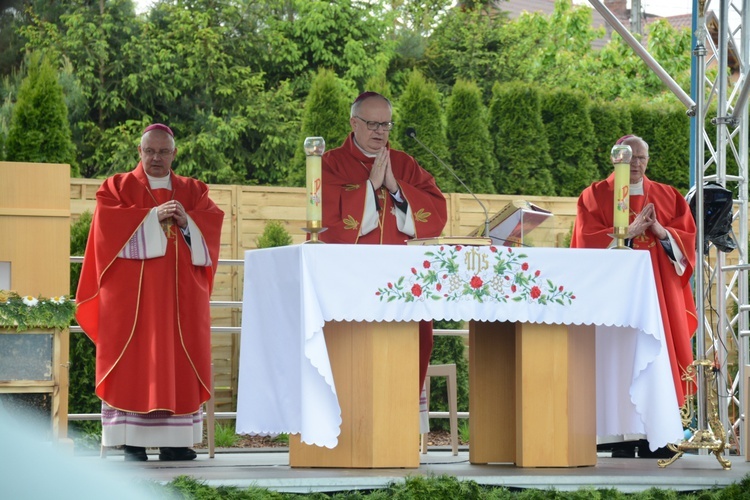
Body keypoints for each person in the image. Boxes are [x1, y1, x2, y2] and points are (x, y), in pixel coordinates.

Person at [76, 123, 224, 461]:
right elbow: (104, 235)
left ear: (174, 154)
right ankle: (132, 442)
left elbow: (211, 228)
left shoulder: (194, 191)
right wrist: (151, 218)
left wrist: (187, 223)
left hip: (180, 303)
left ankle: (177, 443)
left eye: (163, 151)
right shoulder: (117, 188)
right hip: (133, 307)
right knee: (135, 364)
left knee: (179, 363)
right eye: (150, 151)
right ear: (139, 152)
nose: (156, 157)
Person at [571, 134, 697, 458]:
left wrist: (660, 232)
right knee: (621, 360)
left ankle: (658, 433)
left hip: (658, 297)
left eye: (641, 158)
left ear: (648, 159)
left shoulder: (668, 197)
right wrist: (626, 234)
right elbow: (585, 242)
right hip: (615, 301)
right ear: (616, 158)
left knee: (657, 357)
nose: (636, 164)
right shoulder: (595, 196)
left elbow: (686, 243)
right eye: (629, 157)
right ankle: (619, 435)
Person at [319, 91, 448, 393]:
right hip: (351, 285)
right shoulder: (331, 164)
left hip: (404, 286)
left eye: (386, 125)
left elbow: (436, 215)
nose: (380, 132)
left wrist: (395, 187)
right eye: (372, 124)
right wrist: (370, 188)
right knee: (353, 368)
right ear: (354, 123)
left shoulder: (405, 164)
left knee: (403, 364)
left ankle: (400, 428)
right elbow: (329, 223)